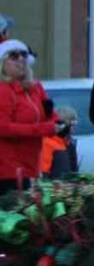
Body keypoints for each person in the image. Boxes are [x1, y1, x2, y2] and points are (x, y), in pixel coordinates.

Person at [0, 39, 65, 194]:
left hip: (32, 166)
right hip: (7, 169)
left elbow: (50, 114)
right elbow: (4, 128)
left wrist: (58, 124)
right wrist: (43, 129)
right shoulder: (3, 90)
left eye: (24, 55)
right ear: (2, 63)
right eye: (14, 56)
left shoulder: (36, 88)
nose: (21, 59)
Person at [41, 106, 79, 178]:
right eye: (72, 122)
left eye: (75, 121)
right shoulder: (47, 142)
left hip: (68, 186)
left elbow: (74, 170)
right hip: (53, 187)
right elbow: (44, 173)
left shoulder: (69, 143)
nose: (74, 126)